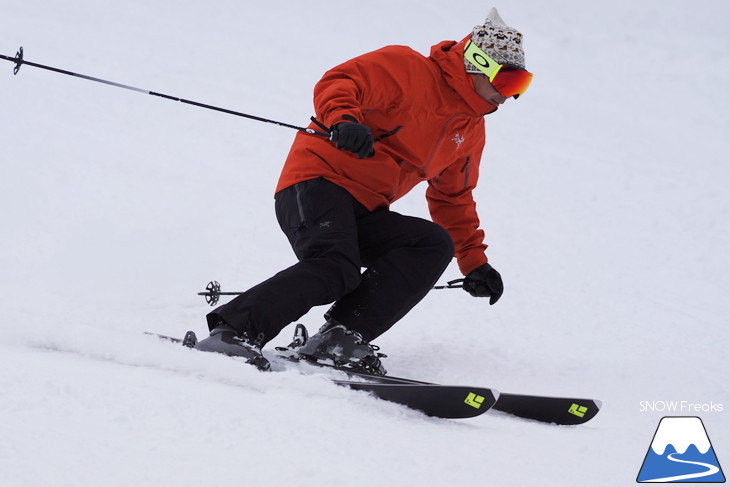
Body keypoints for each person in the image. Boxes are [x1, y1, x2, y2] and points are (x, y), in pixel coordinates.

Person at [194, 8, 533, 373]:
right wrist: (345, 120)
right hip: (317, 181)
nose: (510, 97)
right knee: (336, 268)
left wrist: (474, 262)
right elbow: (340, 82)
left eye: (521, 86)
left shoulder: (470, 131)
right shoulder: (408, 68)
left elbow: (452, 198)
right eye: (510, 82)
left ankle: (339, 337)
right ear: (478, 63)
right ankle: (232, 333)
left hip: (366, 208)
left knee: (431, 243)